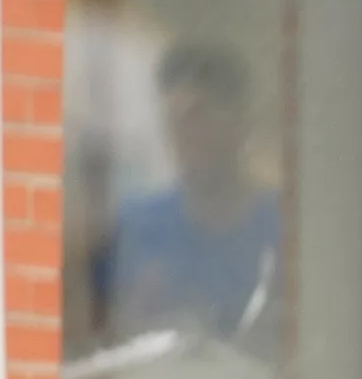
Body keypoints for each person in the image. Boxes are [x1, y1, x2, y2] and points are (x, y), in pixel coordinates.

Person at [97, 42, 283, 354]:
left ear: (240, 123)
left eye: (197, 117)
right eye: (172, 119)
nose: (182, 135)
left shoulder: (283, 230)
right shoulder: (134, 230)